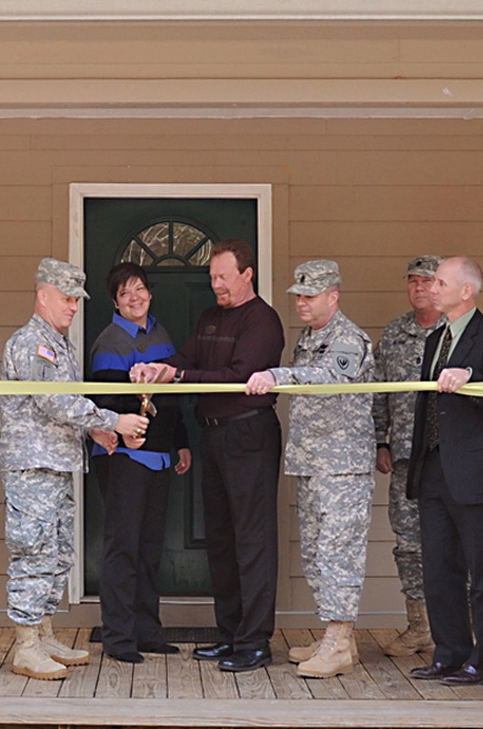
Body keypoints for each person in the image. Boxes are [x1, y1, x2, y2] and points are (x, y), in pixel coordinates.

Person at [131, 238, 285, 672]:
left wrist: (179, 374)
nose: (216, 284)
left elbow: (238, 377)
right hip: (213, 436)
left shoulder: (263, 320)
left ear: (247, 274)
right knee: (221, 539)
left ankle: (255, 642)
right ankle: (231, 634)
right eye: (212, 276)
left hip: (249, 434)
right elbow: (187, 357)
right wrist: (159, 368)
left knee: (252, 541)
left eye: (223, 276)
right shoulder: (211, 317)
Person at [0, 258, 149, 680]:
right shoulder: (34, 342)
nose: (72, 307)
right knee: (32, 551)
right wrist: (112, 421)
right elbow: (54, 400)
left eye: (76, 300)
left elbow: (60, 410)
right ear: (43, 295)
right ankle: (26, 644)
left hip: (57, 462)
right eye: (65, 299)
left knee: (56, 553)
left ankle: (43, 632)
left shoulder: (58, 342)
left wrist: (94, 434)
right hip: (34, 465)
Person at [247, 259, 375, 679]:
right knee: (317, 552)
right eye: (298, 295)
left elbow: (325, 378)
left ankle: (337, 643)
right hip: (312, 461)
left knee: (338, 553)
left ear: (333, 296)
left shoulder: (347, 338)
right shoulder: (308, 337)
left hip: (341, 467)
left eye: (310, 295)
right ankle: (339, 638)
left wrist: (275, 374)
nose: (301, 302)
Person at [407, 255, 483, 686]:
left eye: (439, 282)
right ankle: (449, 652)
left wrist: (470, 375)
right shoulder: (435, 338)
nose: (431, 289)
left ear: (466, 291)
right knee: (438, 568)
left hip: (479, 472)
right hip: (435, 467)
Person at [87, 262, 191, 663]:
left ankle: (148, 631)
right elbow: (105, 405)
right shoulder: (110, 343)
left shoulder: (161, 333)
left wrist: (180, 443)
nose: (136, 298)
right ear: (115, 301)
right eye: (126, 293)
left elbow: (171, 398)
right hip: (123, 457)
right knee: (123, 548)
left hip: (160, 458)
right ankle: (118, 638)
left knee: (150, 549)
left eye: (141, 289)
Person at [372, 255, 444, 657]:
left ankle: (455, 627)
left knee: (454, 541)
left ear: (442, 286)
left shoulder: (456, 332)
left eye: (427, 281)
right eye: (413, 281)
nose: (419, 288)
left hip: (448, 457)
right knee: (408, 544)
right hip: (404, 457)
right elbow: (378, 392)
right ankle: (419, 626)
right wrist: (380, 442)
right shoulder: (395, 333)